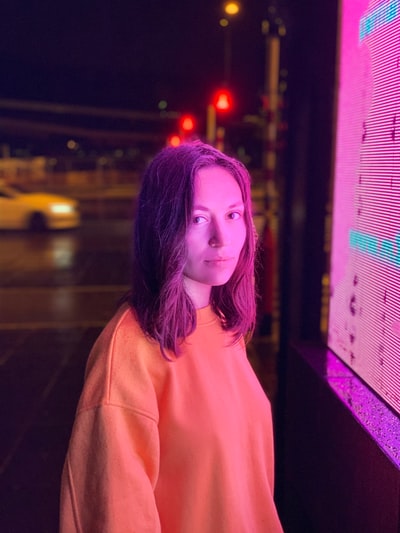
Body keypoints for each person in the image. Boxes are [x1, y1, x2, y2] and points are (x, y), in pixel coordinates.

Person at [60, 141, 283, 532]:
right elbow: (116, 516)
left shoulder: (222, 323)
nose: (222, 237)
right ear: (162, 226)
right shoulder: (129, 354)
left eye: (233, 215)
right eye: (198, 219)